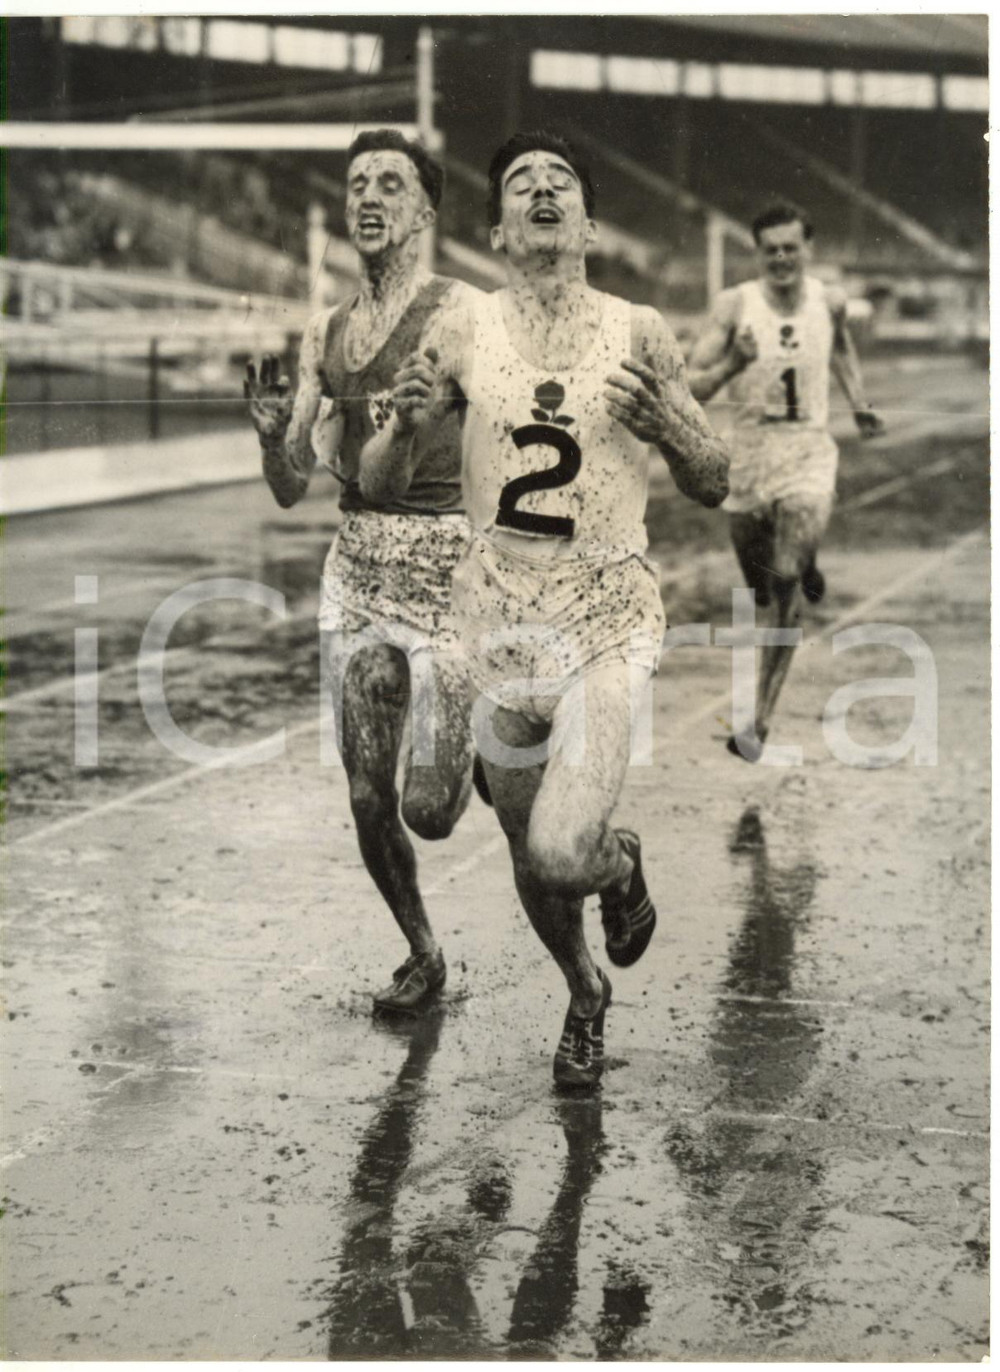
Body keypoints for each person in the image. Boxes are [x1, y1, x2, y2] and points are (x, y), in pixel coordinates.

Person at [363, 131, 730, 1090]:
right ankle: (585, 992)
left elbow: (716, 477)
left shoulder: (639, 328)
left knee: (565, 851)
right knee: (436, 814)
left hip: (603, 613)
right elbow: (382, 482)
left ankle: (620, 863)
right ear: (496, 228)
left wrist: (673, 428)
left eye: (559, 180)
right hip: (491, 618)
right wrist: (403, 427)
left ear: (589, 223)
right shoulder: (464, 329)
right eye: (520, 182)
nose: (540, 190)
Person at [245, 129, 479, 1015]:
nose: (369, 199)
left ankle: (485, 740)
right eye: (356, 186)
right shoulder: (326, 333)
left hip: (449, 572)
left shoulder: (461, 314)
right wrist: (272, 437)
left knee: (432, 809)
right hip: (360, 576)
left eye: (391, 183)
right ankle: (423, 953)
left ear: (424, 209)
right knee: (366, 796)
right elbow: (291, 488)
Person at [687, 202, 885, 762]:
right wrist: (732, 365)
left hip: (806, 453)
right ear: (757, 252)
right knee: (759, 581)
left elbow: (841, 347)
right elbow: (692, 386)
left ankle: (760, 722)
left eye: (790, 247)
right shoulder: (734, 308)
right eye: (770, 248)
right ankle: (805, 561)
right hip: (748, 460)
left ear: (808, 249)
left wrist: (860, 402)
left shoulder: (830, 301)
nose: (780, 258)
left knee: (784, 582)